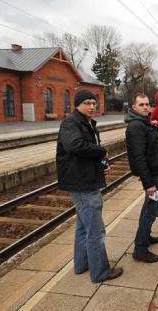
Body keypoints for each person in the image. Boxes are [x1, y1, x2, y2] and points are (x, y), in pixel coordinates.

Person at [56, 89, 123, 283]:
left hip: (85, 178)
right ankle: (100, 272)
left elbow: (86, 153)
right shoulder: (70, 123)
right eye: (87, 103)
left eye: (94, 103)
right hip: (82, 184)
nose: (92, 106)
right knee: (96, 230)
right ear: (77, 105)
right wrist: (101, 152)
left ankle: (82, 264)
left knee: (83, 228)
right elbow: (75, 146)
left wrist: (101, 165)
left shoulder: (88, 123)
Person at [125, 93, 158, 263]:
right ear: (134, 107)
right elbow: (139, 157)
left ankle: (145, 237)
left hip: (157, 173)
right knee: (151, 211)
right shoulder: (136, 126)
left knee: (149, 209)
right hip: (152, 177)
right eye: (141, 105)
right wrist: (148, 183)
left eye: (147, 104)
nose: (146, 107)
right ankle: (140, 249)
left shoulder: (147, 123)